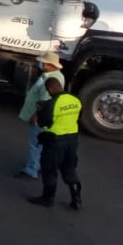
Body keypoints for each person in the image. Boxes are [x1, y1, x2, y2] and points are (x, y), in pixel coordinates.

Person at [28, 77, 83, 210]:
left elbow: (43, 122)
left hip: (55, 140)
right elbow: (79, 116)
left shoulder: (51, 104)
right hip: (72, 139)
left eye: (48, 90)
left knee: (49, 168)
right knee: (69, 168)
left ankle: (47, 198)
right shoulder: (76, 100)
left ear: (50, 88)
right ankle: (77, 200)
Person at [15, 53, 64, 180]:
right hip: (44, 118)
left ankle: (31, 169)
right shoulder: (50, 76)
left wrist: (35, 117)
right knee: (41, 144)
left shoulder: (50, 79)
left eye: (43, 62)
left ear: (49, 65)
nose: (41, 64)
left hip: (40, 118)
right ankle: (39, 165)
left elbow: (45, 102)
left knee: (35, 144)